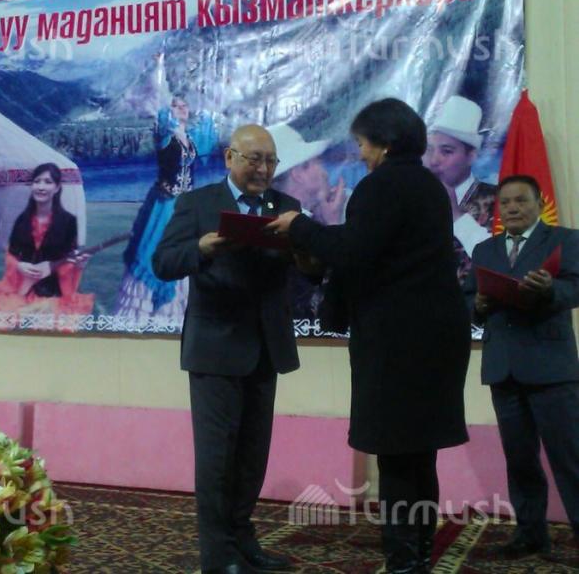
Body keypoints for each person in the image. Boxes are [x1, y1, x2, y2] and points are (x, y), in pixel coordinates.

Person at [268, 98, 471, 573]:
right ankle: (418, 556)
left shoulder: (382, 186)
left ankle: (402, 564)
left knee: (396, 456)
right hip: (437, 337)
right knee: (420, 455)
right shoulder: (428, 185)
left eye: (362, 143)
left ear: (384, 142)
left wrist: (300, 226)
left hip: (398, 341)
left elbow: (353, 251)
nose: (360, 153)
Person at [152, 125, 301, 574]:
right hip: (215, 349)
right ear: (229, 158)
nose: (263, 169)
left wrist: (306, 249)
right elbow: (163, 262)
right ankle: (217, 555)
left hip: (266, 348)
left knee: (252, 455)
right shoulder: (198, 204)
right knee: (217, 457)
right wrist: (202, 247)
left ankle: (243, 538)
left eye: (270, 161)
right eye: (254, 159)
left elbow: (304, 269)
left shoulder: (287, 207)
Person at [463, 175, 579, 558]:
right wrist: (477, 306)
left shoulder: (564, 240)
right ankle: (531, 535)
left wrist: (550, 288)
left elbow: (575, 287)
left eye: (521, 201)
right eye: (506, 202)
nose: (512, 208)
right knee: (519, 459)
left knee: (570, 459)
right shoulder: (485, 249)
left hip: (552, 369)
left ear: (539, 204)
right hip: (503, 369)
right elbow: (467, 300)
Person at [115, 95, 215, 329]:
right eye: (175, 105)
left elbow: (208, 134)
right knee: (153, 251)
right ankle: (142, 314)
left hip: (185, 207)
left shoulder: (192, 139)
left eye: (184, 105)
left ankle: (173, 315)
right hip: (163, 207)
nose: (181, 109)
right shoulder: (165, 135)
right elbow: (162, 121)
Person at [0, 163, 93, 324]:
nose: (41, 187)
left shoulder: (68, 222)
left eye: (48, 182)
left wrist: (78, 265)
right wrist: (19, 266)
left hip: (51, 290)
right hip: (21, 286)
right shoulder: (22, 220)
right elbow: (11, 254)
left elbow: (69, 260)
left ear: (57, 188)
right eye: (37, 181)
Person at [269, 123, 347, 322]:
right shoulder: (277, 228)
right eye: (317, 162)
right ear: (298, 173)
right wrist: (333, 227)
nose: (325, 172)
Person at [424, 95, 496, 282]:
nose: (434, 161)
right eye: (430, 150)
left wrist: (456, 215)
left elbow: (502, 263)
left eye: (446, 151)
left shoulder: (499, 200)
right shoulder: (415, 199)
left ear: (471, 156)